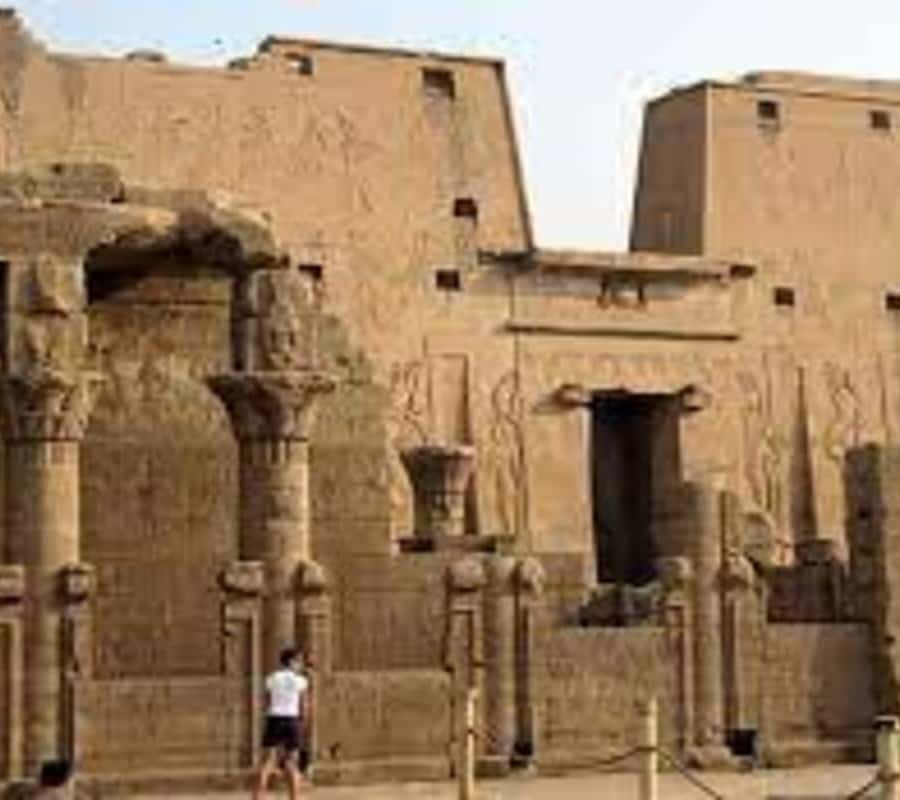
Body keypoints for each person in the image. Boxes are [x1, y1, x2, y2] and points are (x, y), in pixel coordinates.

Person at [254, 647, 310, 800]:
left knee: (267, 761)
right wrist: (303, 724)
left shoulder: (271, 678)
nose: (301, 665)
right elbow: (304, 705)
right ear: (291, 662)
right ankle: (294, 797)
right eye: (299, 661)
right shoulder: (301, 680)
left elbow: (267, 701)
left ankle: (258, 796)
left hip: (274, 718)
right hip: (292, 720)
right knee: (292, 762)